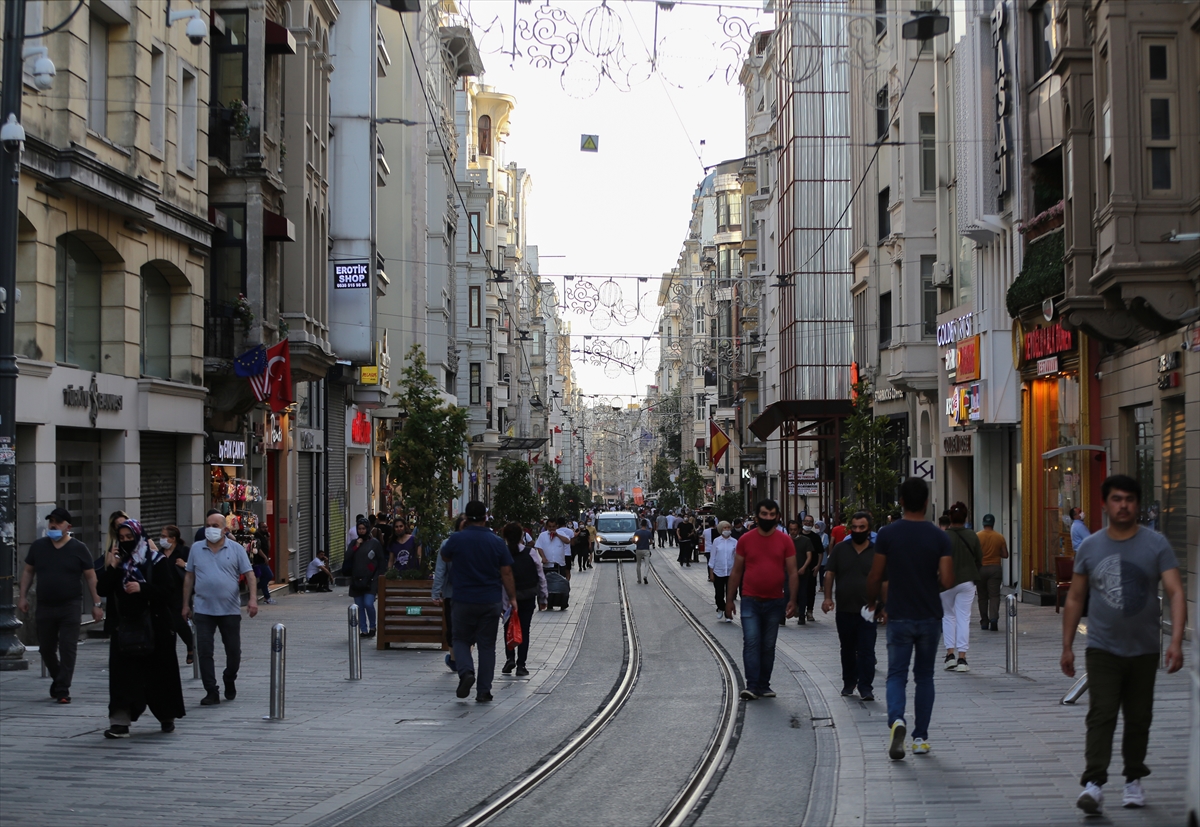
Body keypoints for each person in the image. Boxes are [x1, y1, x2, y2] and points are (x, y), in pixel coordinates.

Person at [1061, 474, 1186, 815]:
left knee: (1139, 716)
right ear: (1104, 504)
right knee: (1101, 714)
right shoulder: (1091, 546)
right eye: (1117, 499)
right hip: (1102, 647)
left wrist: (1175, 640)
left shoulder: (1155, 544)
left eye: (1129, 499)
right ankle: (1094, 783)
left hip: (1145, 648)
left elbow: (1175, 591)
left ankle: (1133, 778)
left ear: (1137, 504)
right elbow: (1075, 597)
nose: (1124, 505)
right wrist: (1067, 645)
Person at [866, 477, 954, 760]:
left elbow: (876, 575)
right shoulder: (940, 537)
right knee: (925, 677)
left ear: (901, 501)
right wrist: (930, 585)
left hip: (899, 614)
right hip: (930, 616)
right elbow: (948, 579)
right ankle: (920, 738)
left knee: (896, 674)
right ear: (927, 502)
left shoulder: (888, 534)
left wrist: (874, 603)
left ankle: (897, 720)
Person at [97, 519, 186, 738]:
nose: (127, 541)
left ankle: (166, 716)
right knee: (123, 677)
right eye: (123, 538)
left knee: (159, 676)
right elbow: (103, 588)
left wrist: (142, 588)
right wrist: (113, 567)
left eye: (130, 537)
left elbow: (167, 591)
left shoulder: (156, 561)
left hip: (156, 628)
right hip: (125, 628)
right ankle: (120, 722)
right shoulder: (119, 563)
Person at [17, 508, 103, 704]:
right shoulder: (39, 546)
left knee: (67, 646)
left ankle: (63, 689)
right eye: (51, 522)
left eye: (58, 522)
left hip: (70, 605)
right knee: (46, 649)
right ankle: (58, 678)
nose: (53, 526)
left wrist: (97, 604)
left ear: (68, 526)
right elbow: (28, 572)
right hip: (45, 605)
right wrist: (22, 596)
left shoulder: (78, 548)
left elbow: (91, 577)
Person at [440, 501, 518, 703]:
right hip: (490, 600)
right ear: (485, 517)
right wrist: (512, 598)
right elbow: (507, 572)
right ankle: (484, 690)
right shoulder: (496, 542)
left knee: (461, 640)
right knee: (486, 646)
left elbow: (445, 556)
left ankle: (466, 672)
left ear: (466, 518)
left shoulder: (457, 538)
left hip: (463, 599)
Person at [724, 499, 799, 701]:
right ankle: (752, 685)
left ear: (777, 517)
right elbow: (736, 571)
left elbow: (792, 572)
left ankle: (764, 684)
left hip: (775, 601)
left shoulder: (785, 541)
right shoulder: (746, 540)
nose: (768, 518)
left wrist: (793, 600)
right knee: (751, 642)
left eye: (772, 514)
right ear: (757, 517)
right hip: (750, 600)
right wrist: (729, 600)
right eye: (764, 514)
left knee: (768, 645)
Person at [183, 513, 257, 706]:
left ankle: (229, 678)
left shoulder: (236, 549)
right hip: (203, 609)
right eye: (207, 525)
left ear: (225, 529)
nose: (210, 528)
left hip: (230, 610)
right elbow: (189, 577)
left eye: (215, 525)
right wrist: (185, 605)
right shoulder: (196, 549)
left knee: (234, 652)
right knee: (204, 651)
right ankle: (211, 690)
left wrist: (253, 600)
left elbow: (249, 575)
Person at [823, 511, 882, 700]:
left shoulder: (877, 552)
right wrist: (827, 598)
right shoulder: (840, 549)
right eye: (854, 527)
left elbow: (886, 579)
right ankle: (849, 682)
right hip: (845, 608)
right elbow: (830, 573)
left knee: (866, 649)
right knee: (847, 648)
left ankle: (866, 687)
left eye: (861, 527)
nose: (857, 530)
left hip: (868, 609)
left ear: (869, 530)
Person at [501, 522, 547, 676]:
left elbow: (498, 578)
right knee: (524, 629)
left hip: (507, 598)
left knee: (508, 628)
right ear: (522, 536)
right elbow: (540, 575)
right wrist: (543, 597)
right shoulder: (530, 552)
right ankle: (521, 665)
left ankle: (510, 658)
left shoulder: (502, 552)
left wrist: (501, 601)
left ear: (505, 537)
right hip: (527, 595)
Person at [942, 502, 982, 672]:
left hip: (946, 582)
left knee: (948, 617)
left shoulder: (943, 536)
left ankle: (949, 654)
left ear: (949, 518)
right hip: (967, 581)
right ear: (965, 518)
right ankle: (962, 658)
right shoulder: (972, 535)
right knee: (963, 618)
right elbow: (979, 559)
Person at [433, 514, 468, 671]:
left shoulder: (447, 544)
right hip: (472, 594)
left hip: (452, 593)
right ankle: (464, 659)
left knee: (453, 627)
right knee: (468, 628)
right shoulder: (478, 543)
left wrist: (436, 592)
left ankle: (455, 660)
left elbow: (440, 570)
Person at [157, 525, 194, 664]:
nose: (161, 539)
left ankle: (191, 645)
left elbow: (194, 569)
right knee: (167, 626)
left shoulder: (184, 551)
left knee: (180, 623)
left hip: (181, 593)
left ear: (173, 539)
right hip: (165, 594)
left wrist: (184, 564)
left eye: (164, 536)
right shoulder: (160, 554)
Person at [342, 518, 383, 637]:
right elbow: (347, 557)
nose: (361, 531)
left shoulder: (374, 543)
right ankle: (363, 629)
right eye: (359, 529)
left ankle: (373, 627)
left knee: (368, 604)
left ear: (367, 529)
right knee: (359, 606)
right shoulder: (354, 543)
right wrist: (356, 546)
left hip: (371, 579)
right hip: (356, 579)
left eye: (363, 528)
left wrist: (379, 576)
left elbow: (380, 561)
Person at [975, 514, 1008, 631]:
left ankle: (984, 621)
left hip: (981, 568)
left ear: (983, 523)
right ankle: (994, 618)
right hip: (995, 568)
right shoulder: (999, 537)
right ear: (993, 523)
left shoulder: (977, 536)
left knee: (982, 596)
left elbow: (974, 554)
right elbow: (1005, 554)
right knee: (994, 595)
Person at [707, 521, 737, 621]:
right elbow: (712, 557)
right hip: (718, 571)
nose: (727, 530)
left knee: (730, 594)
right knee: (719, 593)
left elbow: (737, 557)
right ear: (721, 529)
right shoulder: (716, 541)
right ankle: (721, 607)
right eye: (725, 528)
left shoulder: (734, 542)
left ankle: (728, 614)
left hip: (730, 571)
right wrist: (711, 573)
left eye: (728, 528)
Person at [798, 515, 822, 623]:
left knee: (811, 590)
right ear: (802, 522)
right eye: (806, 521)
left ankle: (810, 611)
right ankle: (800, 611)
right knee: (799, 590)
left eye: (810, 522)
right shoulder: (798, 536)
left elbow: (820, 552)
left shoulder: (815, 537)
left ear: (812, 524)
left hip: (811, 569)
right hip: (798, 568)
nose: (808, 523)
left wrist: (818, 566)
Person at [250, 528, 275, 605]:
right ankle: (255, 588)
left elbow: (268, 548)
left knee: (264, 578)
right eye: (263, 527)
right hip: (259, 561)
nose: (266, 529)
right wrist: (264, 557)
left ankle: (267, 598)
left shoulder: (264, 537)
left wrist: (268, 539)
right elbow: (257, 548)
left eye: (266, 527)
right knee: (269, 576)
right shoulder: (257, 536)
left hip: (264, 560)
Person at [632, 519, 655, 585]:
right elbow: (651, 541)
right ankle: (645, 575)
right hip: (646, 550)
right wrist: (648, 543)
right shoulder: (648, 532)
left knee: (638, 564)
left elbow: (633, 540)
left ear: (641, 524)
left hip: (638, 549)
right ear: (646, 525)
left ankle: (639, 579)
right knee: (647, 564)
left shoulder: (637, 532)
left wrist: (636, 542)